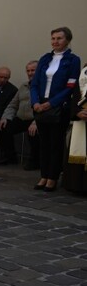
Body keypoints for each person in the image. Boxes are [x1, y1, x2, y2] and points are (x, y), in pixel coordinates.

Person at [31, 27, 81, 191]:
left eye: (59, 38)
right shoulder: (45, 58)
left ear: (67, 40)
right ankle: (43, 175)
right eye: (53, 38)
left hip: (58, 106)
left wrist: (52, 103)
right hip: (41, 104)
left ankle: (53, 176)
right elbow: (35, 83)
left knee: (55, 143)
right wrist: (35, 102)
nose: (55, 41)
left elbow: (71, 86)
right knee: (43, 143)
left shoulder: (73, 60)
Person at [0, 61, 40, 168]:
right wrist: (5, 118)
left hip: (35, 120)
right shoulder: (23, 86)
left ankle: (35, 161)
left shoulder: (43, 87)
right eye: (28, 71)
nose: (30, 73)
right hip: (21, 118)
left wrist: (36, 122)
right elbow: (13, 105)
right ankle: (9, 157)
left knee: (33, 133)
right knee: (4, 127)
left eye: (33, 70)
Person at [62, 61, 87, 194]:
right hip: (81, 120)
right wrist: (77, 111)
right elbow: (76, 95)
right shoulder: (84, 73)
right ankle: (77, 185)